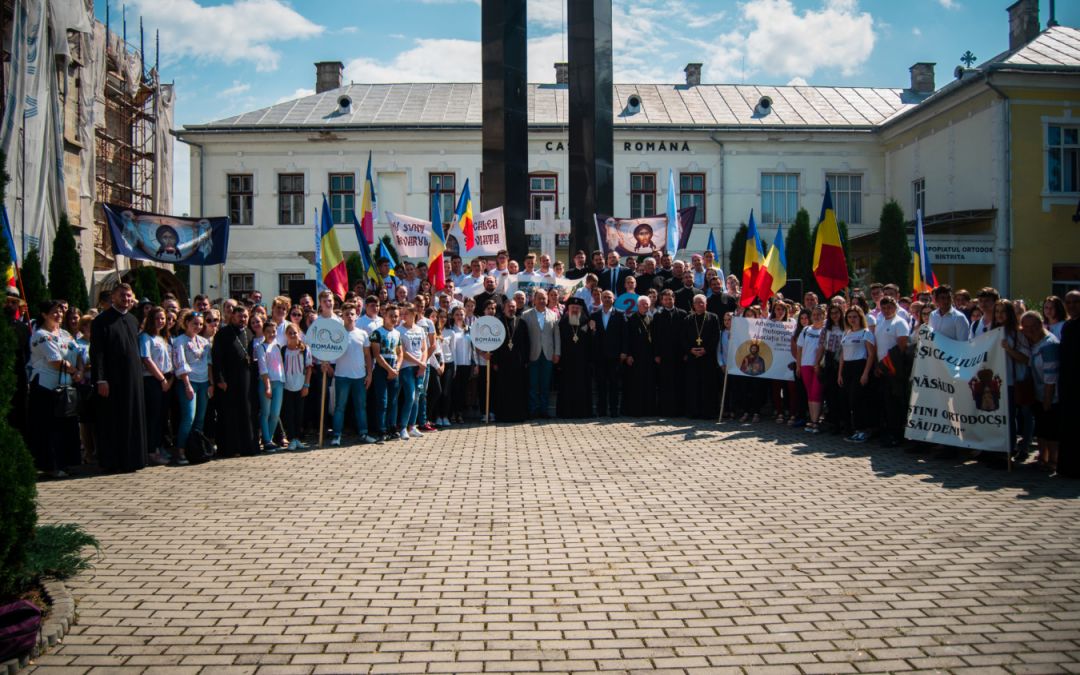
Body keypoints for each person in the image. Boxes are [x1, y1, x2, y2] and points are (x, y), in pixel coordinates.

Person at [91, 283, 147, 472]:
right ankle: (114, 461)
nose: (126, 299)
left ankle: (134, 459)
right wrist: (100, 379)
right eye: (122, 295)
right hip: (111, 380)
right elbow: (97, 352)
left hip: (133, 379)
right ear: (113, 297)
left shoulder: (132, 320)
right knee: (114, 420)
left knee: (133, 417)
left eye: (129, 296)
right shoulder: (101, 321)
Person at [28, 299, 81, 477]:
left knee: (66, 426)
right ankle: (51, 465)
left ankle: (66, 462)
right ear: (44, 314)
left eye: (60, 312)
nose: (59, 315)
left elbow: (77, 351)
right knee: (49, 428)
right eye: (54, 312)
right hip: (45, 387)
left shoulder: (65, 333)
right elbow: (55, 360)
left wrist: (79, 370)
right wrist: (75, 372)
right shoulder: (41, 335)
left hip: (65, 387)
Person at [212, 304, 258, 456]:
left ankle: (247, 447)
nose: (243, 319)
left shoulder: (249, 333)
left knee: (246, 413)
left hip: (246, 380)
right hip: (229, 381)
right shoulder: (223, 334)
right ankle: (230, 448)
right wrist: (220, 379)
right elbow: (217, 359)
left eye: (245, 317)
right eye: (240, 316)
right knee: (230, 414)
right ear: (232, 317)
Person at [330, 303, 375, 446]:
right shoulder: (337, 334)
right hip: (342, 376)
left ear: (356, 315)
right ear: (342, 316)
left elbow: (368, 355)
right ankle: (337, 435)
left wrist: (369, 374)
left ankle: (363, 433)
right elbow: (329, 353)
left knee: (361, 406)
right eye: (346, 314)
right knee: (340, 407)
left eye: (352, 314)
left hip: (359, 376)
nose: (349, 316)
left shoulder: (362, 334)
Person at [172, 311, 212, 464]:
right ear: (186, 323)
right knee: (189, 416)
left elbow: (208, 363)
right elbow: (180, 364)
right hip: (188, 381)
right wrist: (187, 384)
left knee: (200, 418)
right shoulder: (179, 341)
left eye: (200, 324)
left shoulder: (204, 341)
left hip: (203, 382)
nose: (198, 326)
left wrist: (210, 383)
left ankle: (196, 448)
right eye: (195, 323)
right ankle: (181, 450)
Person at [1022, 311, 1060, 472]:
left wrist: (1047, 399)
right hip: (1038, 392)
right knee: (1042, 429)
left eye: (1033, 326)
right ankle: (1042, 458)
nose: (1030, 330)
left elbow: (1051, 376)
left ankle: (1053, 460)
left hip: (1051, 395)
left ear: (1040, 325)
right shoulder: (1034, 343)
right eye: (1026, 327)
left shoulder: (1049, 344)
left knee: (1051, 430)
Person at [873, 296, 910, 448]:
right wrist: (878, 365)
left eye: (890, 307)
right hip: (882, 368)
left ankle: (897, 435)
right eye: (884, 308)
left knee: (896, 403)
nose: (887, 310)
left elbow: (902, 347)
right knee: (885, 402)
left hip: (894, 369)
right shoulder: (881, 322)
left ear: (895, 307)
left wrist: (889, 365)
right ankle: (888, 431)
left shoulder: (900, 322)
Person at [139, 306, 174, 465]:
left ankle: (158, 447)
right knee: (153, 417)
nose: (160, 321)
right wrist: (161, 380)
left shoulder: (163, 337)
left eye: (163, 318)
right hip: (153, 380)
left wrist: (169, 379)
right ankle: (150, 450)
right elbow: (146, 359)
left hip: (167, 379)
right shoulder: (146, 337)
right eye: (157, 318)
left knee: (162, 417)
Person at [838, 306, 876, 443]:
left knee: (857, 400)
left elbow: (871, 355)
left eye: (855, 317)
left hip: (860, 367)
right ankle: (853, 429)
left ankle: (863, 430)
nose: (852, 320)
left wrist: (865, 373)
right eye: (849, 317)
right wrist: (840, 373)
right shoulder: (846, 333)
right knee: (847, 400)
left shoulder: (866, 333)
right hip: (847, 368)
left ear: (860, 317)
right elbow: (842, 354)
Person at [523, 289, 560, 418]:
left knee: (545, 385)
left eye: (544, 298)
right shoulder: (526, 315)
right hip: (532, 354)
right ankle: (533, 411)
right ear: (534, 300)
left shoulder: (553, 315)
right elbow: (523, 337)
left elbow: (557, 336)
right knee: (533, 385)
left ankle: (544, 411)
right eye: (540, 298)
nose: (542, 301)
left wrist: (557, 353)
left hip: (548, 355)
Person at [683, 294, 721, 419]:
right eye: (697, 303)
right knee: (693, 385)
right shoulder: (688, 319)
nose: (699, 305)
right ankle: (693, 411)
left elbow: (716, 337)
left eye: (702, 302)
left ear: (706, 304)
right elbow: (683, 338)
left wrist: (706, 350)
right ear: (693, 305)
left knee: (708, 385)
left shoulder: (713, 317)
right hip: (692, 358)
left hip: (708, 358)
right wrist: (690, 349)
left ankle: (708, 412)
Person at [493, 298, 530, 422]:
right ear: (504, 308)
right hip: (502, 363)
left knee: (517, 389)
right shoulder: (498, 323)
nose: (511, 309)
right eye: (509, 306)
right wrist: (495, 362)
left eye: (513, 307)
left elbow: (526, 344)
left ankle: (518, 415)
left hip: (518, 363)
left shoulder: (522, 323)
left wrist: (525, 361)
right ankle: (503, 415)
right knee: (503, 389)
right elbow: (494, 345)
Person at [555, 297, 592, 418]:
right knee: (567, 387)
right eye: (573, 307)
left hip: (583, 361)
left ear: (581, 309)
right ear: (568, 309)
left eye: (577, 308)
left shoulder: (587, 321)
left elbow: (592, 341)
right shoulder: (562, 322)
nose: (575, 309)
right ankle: (566, 412)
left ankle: (582, 412)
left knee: (582, 387)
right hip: (567, 361)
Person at [370, 305, 403, 441]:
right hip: (381, 369)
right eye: (391, 316)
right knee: (382, 400)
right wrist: (389, 370)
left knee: (393, 401)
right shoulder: (377, 333)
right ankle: (381, 429)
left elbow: (400, 353)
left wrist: (396, 369)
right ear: (384, 316)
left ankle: (392, 427)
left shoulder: (397, 333)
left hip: (394, 368)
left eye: (396, 316)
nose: (394, 318)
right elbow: (376, 355)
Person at [590, 290, 625, 416]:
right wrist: (592, 331)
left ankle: (614, 410)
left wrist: (623, 352)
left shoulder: (620, 315)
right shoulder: (594, 315)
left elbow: (624, 336)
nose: (606, 299)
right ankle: (602, 410)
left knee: (614, 384)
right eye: (604, 297)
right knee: (601, 384)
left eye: (609, 297)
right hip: (599, 356)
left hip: (615, 356)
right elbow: (592, 337)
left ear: (613, 299)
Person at [396, 306, 428, 440]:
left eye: (406, 314)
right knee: (410, 396)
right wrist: (419, 363)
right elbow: (403, 352)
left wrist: (423, 363)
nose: (403, 316)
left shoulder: (420, 329)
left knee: (417, 397)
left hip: (420, 367)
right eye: (402, 314)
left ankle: (412, 426)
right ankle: (403, 427)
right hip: (406, 367)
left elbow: (424, 348)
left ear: (414, 314)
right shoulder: (399, 330)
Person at [1057, 290, 1080, 478]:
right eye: (1069, 302)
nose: (1071, 305)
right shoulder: (1068, 326)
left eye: (1076, 302)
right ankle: (1067, 467)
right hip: (1067, 382)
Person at [653, 289, 686, 417]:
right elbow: (655, 337)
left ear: (674, 299)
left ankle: (679, 410)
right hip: (664, 355)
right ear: (662, 301)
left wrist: (685, 352)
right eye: (665, 299)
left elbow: (685, 335)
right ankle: (665, 410)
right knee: (665, 383)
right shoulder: (658, 315)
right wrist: (656, 354)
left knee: (679, 382)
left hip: (679, 355)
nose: (668, 301)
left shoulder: (682, 314)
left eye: (670, 298)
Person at [621, 296, 657, 416]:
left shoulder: (651, 318)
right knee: (635, 385)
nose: (645, 306)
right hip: (635, 357)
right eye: (643, 304)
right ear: (637, 306)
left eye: (647, 304)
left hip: (648, 357)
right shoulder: (631, 319)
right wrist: (629, 354)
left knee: (648, 384)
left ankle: (648, 410)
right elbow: (626, 338)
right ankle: (635, 411)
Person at [280, 322, 313, 450]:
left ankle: (298, 438)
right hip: (287, 385)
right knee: (289, 412)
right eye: (290, 333)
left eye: (295, 332)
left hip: (300, 385)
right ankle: (291, 438)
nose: (293, 335)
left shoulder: (305, 349)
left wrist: (306, 385)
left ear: (299, 333)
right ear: (286, 335)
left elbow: (309, 369)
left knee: (299, 413)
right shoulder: (283, 350)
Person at [255, 320, 285, 451]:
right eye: (268, 331)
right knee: (265, 412)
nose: (271, 334)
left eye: (273, 331)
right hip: (266, 382)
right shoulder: (261, 348)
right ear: (264, 332)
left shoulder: (278, 346)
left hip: (279, 381)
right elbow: (263, 368)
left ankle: (269, 438)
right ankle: (266, 440)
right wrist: (267, 386)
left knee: (275, 413)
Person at [796, 305, 827, 433]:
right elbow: (799, 348)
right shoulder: (806, 330)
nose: (816, 317)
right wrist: (798, 365)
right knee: (810, 393)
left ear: (824, 316)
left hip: (818, 366)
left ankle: (815, 422)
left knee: (816, 393)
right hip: (805, 365)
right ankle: (813, 420)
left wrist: (818, 364)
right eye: (814, 314)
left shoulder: (825, 331)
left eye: (819, 314)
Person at [448, 306, 474, 424]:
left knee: (463, 390)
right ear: (453, 316)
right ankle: (453, 413)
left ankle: (460, 413)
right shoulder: (451, 330)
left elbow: (473, 349)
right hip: (456, 364)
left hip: (467, 364)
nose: (459, 317)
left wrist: (475, 364)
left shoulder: (469, 330)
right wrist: (454, 366)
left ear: (465, 316)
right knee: (455, 390)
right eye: (457, 314)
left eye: (461, 314)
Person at [427, 309, 453, 428]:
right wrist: (438, 366)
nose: (436, 319)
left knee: (442, 391)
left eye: (436, 317)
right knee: (436, 390)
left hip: (439, 361)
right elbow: (429, 350)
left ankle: (437, 417)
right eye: (433, 316)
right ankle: (430, 417)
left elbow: (439, 349)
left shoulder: (436, 330)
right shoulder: (426, 329)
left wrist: (442, 363)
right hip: (431, 363)